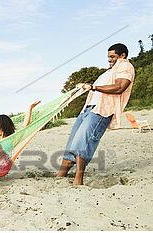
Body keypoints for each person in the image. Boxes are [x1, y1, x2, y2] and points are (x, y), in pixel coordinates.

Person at [57, 43, 135, 185]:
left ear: (122, 55)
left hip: (102, 110)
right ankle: (60, 176)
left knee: (84, 142)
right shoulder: (108, 72)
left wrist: (92, 86)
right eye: (108, 57)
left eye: (113, 56)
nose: (110, 59)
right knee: (73, 142)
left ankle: (78, 180)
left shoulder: (125, 66)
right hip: (88, 109)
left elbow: (120, 87)